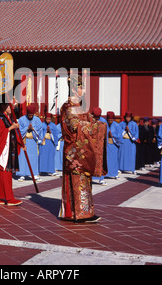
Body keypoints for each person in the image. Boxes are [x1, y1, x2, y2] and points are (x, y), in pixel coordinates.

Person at [59, 75, 107, 223]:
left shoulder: (82, 107)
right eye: (81, 87)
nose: (84, 90)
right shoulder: (67, 107)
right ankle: (79, 213)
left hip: (84, 149)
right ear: (74, 88)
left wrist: (97, 124)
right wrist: (95, 126)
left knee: (86, 179)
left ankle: (79, 212)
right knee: (78, 179)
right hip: (74, 151)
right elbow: (75, 125)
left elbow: (88, 121)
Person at [0, 103, 24, 206]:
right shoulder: (0, 120)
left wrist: (20, 143)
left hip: (7, 151)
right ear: (4, 108)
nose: (11, 108)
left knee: (2, 176)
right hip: (2, 152)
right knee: (5, 175)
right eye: (9, 107)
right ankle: (9, 198)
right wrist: (12, 127)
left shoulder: (7, 119)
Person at [16, 104, 43, 181]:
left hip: (33, 141)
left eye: (32, 115)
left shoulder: (37, 120)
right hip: (24, 141)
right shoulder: (21, 119)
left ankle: (34, 174)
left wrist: (33, 129)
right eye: (29, 115)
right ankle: (22, 174)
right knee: (23, 158)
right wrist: (27, 128)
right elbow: (19, 130)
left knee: (33, 158)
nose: (30, 116)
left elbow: (40, 130)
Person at [91, 107, 108, 185]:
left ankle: (101, 178)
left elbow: (105, 135)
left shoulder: (103, 121)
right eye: (95, 117)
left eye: (98, 117)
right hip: (91, 145)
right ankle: (90, 177)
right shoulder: (89, 121)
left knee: (100, 162)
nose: (97, 119)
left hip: (100, 146)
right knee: (91, 161)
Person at [105, 111, 121, 179]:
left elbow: (119, 136)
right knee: (106, 160)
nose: (110, 121)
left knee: (114, 160)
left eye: (111, 120)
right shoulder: (104, 124)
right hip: (106, 145)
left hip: (113, 145)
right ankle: (105, 174)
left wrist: (112, 135)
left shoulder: (116, 125)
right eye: (109, 120)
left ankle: (114, 173)